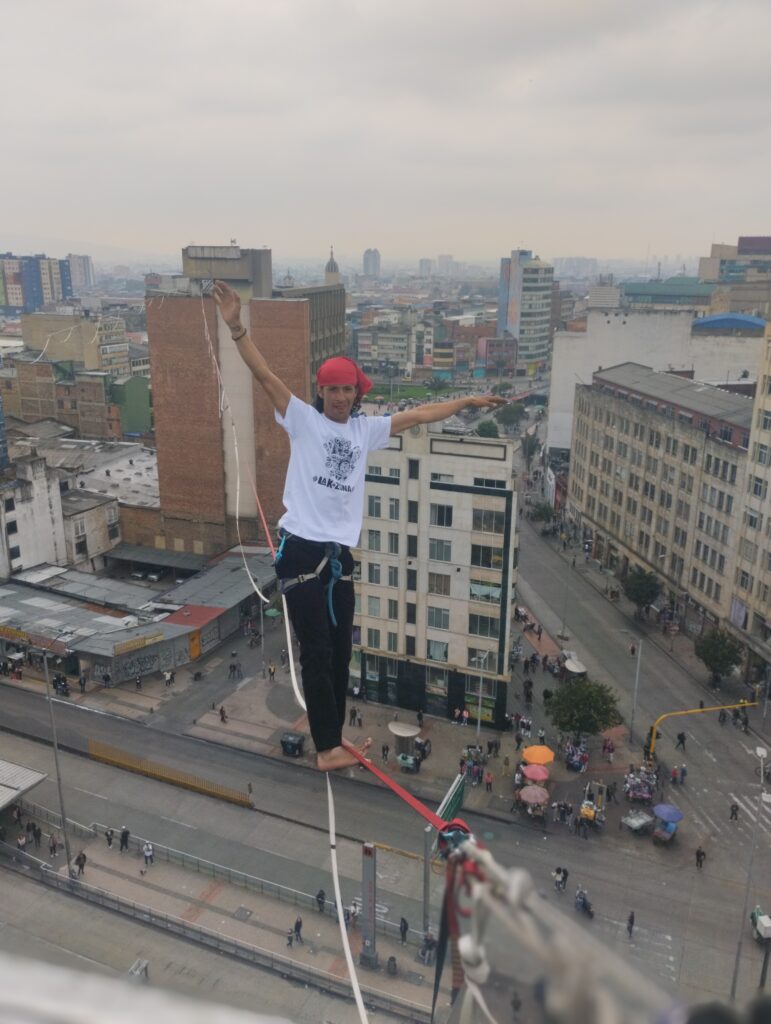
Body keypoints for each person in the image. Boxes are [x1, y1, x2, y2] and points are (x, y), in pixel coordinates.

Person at [214, 280, 504, 770]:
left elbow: (419, 415)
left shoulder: (366, 430)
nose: (342, 397)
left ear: (357, 391)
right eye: (333, 389)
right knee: (317, 652)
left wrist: (466, 403)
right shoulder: (304, 420)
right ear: (321, 391)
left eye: (349, 389)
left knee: (341, 656)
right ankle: (325, 748)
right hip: (302, 550)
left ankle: (333, 738)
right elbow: (264, 376)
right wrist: (238, 327)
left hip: (339, 557)